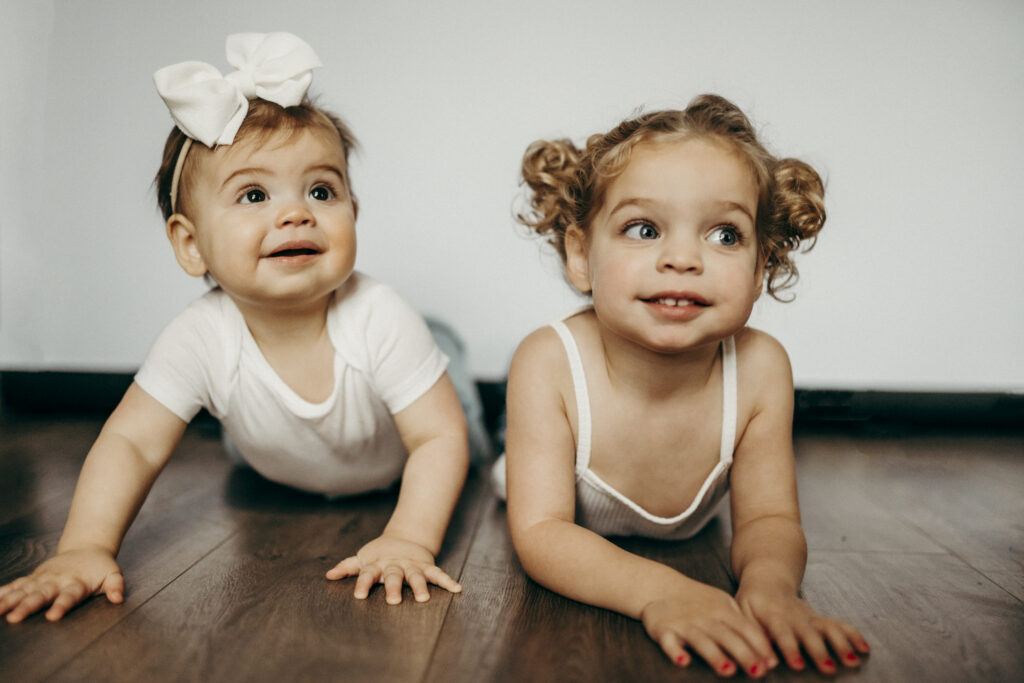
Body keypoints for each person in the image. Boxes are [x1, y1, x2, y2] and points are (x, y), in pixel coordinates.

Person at [0, 32, 470, 623]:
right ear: (191, 245)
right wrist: (83, 548)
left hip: (395, 454)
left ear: (355, 212)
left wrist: (408, 539)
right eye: (253, 194)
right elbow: (133, 442)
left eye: (321, 191)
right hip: (275, 457)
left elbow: (437, 438)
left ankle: (449, 354)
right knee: (232, 411)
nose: (295, 212)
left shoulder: (378, 313)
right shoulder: (199, 336)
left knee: (463, 420)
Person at [496, 94, 871, 678]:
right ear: (579, 254)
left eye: (724, 235)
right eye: (643, 229)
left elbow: (769, 518)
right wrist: (659, 591)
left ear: (761, 268)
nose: (681, 259)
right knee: (485, 456)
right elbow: (543, 531)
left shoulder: (761, 369)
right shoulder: (547, 362)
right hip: (534, 472)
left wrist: (772, 590)